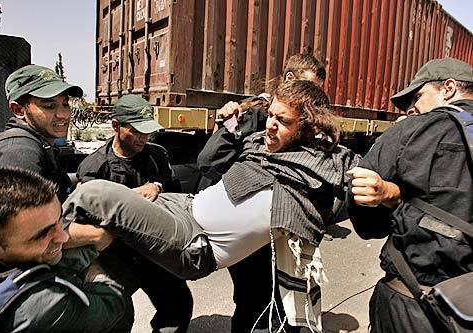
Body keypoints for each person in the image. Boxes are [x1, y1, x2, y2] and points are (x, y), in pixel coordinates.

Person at [62, 80, 359, 332]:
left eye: (282, 120)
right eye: (270, 115)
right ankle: (51, 265)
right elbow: (208, 161)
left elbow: (354, 180)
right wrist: (230, 123)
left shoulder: (319, 171)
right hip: (184, 208)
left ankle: (43, 246)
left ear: (308, 127)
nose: (270, 125)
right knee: (118, 296)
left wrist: (384, 190)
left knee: (96, 194)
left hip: (194, 242)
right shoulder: (260, 146)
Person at [197, 52, 328, 332]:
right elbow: (208, 162)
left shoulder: (304, 125)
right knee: (253, 298)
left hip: (272, 227)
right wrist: (229, 129)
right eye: (310, 88)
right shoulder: (254, 115)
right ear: (290, 80)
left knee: (275, 299)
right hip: (245, 222)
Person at [346, 57, 473, 333]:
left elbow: (366, 222)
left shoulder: (414, 130)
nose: (413, 107)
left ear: (448, 88)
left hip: (414, 305)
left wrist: (392, 199)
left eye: (418, 96)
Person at [76, 94, 192, 333]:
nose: (144, 138)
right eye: (137, 131)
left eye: (148, 131)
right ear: (116, 126)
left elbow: (174, 193)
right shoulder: (94, 167)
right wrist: (130, 196)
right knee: (112, 315)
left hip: (154, 252)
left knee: (178, 306)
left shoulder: (156, 155)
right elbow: (89, 218)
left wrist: (157, 186)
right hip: (117, 255)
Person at [0, 167, 133, 332]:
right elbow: (113, 302)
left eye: (60, 219)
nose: (63, 237)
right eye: (42, 234)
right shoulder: (39, 305)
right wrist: (92, 270)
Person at [0, 64, 83, 202]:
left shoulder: (39, 143)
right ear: (18, 110)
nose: (63, 114)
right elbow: (22, 222)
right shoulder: (19, 154)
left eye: (65, 103)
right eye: (49, 106)